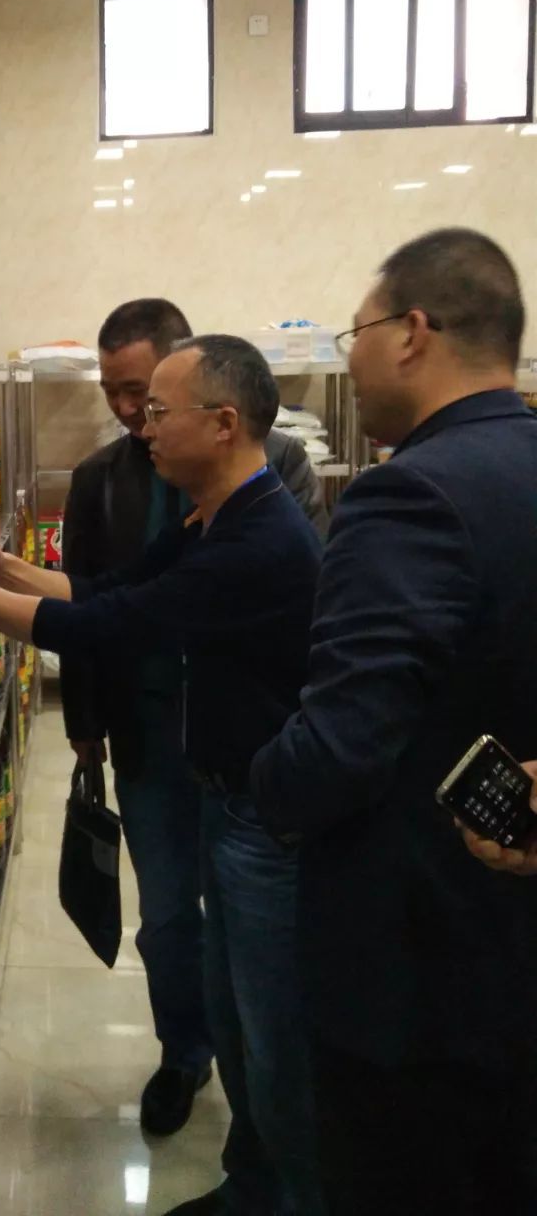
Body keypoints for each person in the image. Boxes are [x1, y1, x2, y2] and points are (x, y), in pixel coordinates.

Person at [0, 336, 326, 1216]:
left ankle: (283, 1195)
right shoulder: (213, 516)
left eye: (160, 410)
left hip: (265, 821)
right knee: (232, 1008)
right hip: (227, 798)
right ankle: (252, 1183)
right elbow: (107, 592)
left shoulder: (258, 538)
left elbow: (109, 628)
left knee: (273, 1035)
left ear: (223, 423)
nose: (144, 427)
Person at [249, 229, 537, 1215]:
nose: (351, 359)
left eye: (357, 333)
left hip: (418, 983)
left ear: (413, 333)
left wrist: (263, 782)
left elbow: (338, 748)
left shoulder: (409, 493)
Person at [60, 299, 326, 1135]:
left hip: (245, 742)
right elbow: (92, 597)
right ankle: (185, 1053)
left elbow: (297, 601)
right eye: (114, 393)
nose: (130, 412)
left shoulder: (273, 471)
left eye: (143, 393)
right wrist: (84, 722)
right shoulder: (100, 478)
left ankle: (262, 1110)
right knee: (170, 917)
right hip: (147, 735)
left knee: (248, 921)